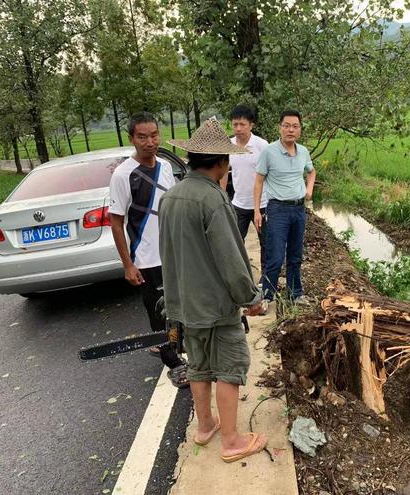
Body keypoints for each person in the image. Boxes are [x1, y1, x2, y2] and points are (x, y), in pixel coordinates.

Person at [159, 118, 268, 463]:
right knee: (229, 367)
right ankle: (233, 441)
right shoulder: (214, 200)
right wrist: (251, 299)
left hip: (185, 302)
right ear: (221, 162)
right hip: (216, 305)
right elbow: (231, 259)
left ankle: (205, 426)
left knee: (199, 366)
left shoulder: (171, 197)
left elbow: (168, 254)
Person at [108, 111, 188, 389]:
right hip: (147, 258)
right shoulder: (123, 175)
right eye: (142, 137)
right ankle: (174, 364)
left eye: (154, 135)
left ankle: (174, 345)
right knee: (158, 313)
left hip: (174, 254)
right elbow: (116, 223)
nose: (150, 141)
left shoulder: (165, 167)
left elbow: (175, 206)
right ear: (132, 139)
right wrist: (128, 264)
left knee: (180, 307)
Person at [253, 110, 316, 304]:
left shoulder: (303, 151)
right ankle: (267, 296)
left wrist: (309, 190)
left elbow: (312, 172)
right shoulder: (269, 152)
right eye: (286, 125)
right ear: (280, 127)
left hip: (298, 209)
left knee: (295, 255)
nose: (291, 130)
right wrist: (257, 211)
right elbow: (258, 182)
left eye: (295, 126)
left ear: (300, 130)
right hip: (277, 210)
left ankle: (295, 293)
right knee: (276, 255)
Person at [219, 105, 269, 283]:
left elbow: (270, 173)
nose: (238, 129)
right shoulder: (229, 145)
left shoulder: (262, 146)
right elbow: (224, 172)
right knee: (235, 242)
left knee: (266, 244)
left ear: (251, 125)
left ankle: (266, 280)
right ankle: (238, 278)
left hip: (262, 204)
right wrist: (222, 195)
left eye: (242, 124)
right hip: (238, 204)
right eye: (235, 124)